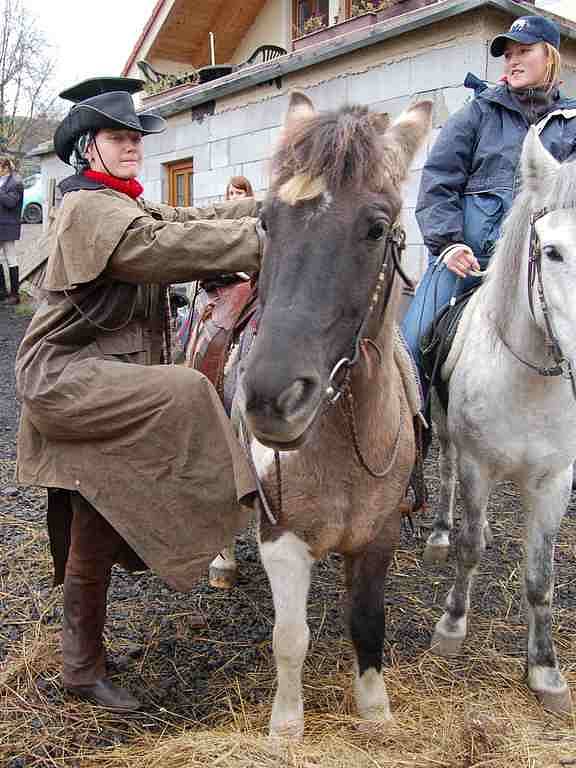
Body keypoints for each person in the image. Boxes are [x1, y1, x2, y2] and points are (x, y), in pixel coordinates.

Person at [14, 77, 263, 712]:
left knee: (91, 520)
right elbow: (161, 247)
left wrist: (273, 209)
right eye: (118, 139)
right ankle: (235, 503)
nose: (132, 149)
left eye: (135, 140)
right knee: (185, 390)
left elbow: (186, 219)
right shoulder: (89, 208)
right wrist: (273, 240)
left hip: (102, 378)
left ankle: (82, 660)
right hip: (69, 376)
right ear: (85, 149)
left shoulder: (122, 201)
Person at [401, 14, 576, 409]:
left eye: (524, 52)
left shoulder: (572, 123)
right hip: (469, 260)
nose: (512, 61)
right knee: (411, 343)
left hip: (546, 266)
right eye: (507, 55)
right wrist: (448, 244)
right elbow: (438, 182)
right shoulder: (477, 113)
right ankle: (416, 433)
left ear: (549, 57)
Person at [0, 156, 24, 304]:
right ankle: (2, 292)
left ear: (5, 168)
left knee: (11, 258)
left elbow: (10, 202)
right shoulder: (3, 182)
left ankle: (15, 295)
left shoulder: (15, 183)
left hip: (7, 226)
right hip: (1, 225)